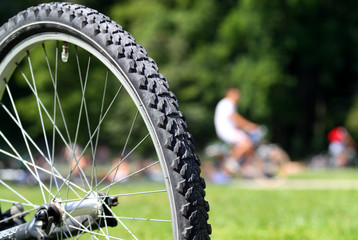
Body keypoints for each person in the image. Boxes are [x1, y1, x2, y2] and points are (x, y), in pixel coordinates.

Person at [214, 87, 258, 173]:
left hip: (226, 130)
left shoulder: (225, 103)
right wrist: (248, 125)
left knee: (247, 147)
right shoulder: (228, 103)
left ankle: (243, 166)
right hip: (227, 130)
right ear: (230, 94)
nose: (238, 97)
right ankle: (231, 161)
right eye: (236, 94)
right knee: (247, 143)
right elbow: (234, 118)